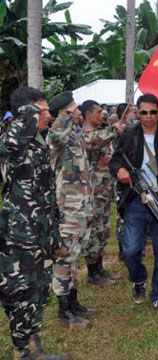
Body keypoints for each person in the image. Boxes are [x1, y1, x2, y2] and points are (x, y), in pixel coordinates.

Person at [0, 87, 70, 359]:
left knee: (38, 293)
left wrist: (55, 239)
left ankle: (33, 347)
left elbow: (46, 199)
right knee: (21, 295)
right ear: (25, 113)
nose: (49, 116)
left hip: (40, 236)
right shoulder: (12, 144)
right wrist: (29, 111)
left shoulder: (37, 145)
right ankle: (22, 352)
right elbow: (9, 143)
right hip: (20, 239)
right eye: (43, 110)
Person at [109, 93, 158, 315]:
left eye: (153, 112)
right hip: (136, 201)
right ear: (137, 112)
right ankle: (138, 279)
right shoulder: (129, 136)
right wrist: (119, 171)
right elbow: (115, 160)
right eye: (144, 112)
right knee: (130, 250)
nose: (149, 116)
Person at [46, 91, 95, 328]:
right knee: (64, 258)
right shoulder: (57, 134)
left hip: (82, 208)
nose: (78, 112)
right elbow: (56, 136)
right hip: (68, 210)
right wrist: (64, 117)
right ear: (63, 112)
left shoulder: (74, 134)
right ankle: (63, 311)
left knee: (75, 257)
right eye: (73, 109)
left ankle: (73, 303)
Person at [80, 100, 122, 286]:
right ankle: (92, 272)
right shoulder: (85, 134)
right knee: (95, 230)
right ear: (88, 114)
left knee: (103, 229)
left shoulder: (99, 132)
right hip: (93, 192)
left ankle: (99, 268)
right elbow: (94, 142)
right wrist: (115, 129)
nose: (102, 114)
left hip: (103, 190)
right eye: (98, 112)